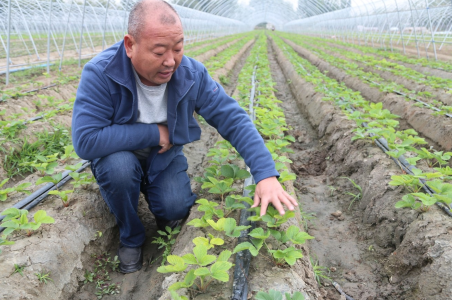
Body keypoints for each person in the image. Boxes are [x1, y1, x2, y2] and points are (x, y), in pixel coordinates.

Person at [72, 0, 298, 274]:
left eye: (178, 48)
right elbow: (86, 141)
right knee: (119, 170)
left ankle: (160, 211)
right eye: (159, 52)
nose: (170, 61)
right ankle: (131, 236)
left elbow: (232, 118)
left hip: (163, 158)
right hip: (118, 157)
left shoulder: (191, 74)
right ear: (130, 45)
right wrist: (154, 132)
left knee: (175, 209)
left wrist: (265, 174)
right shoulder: (102, 73)